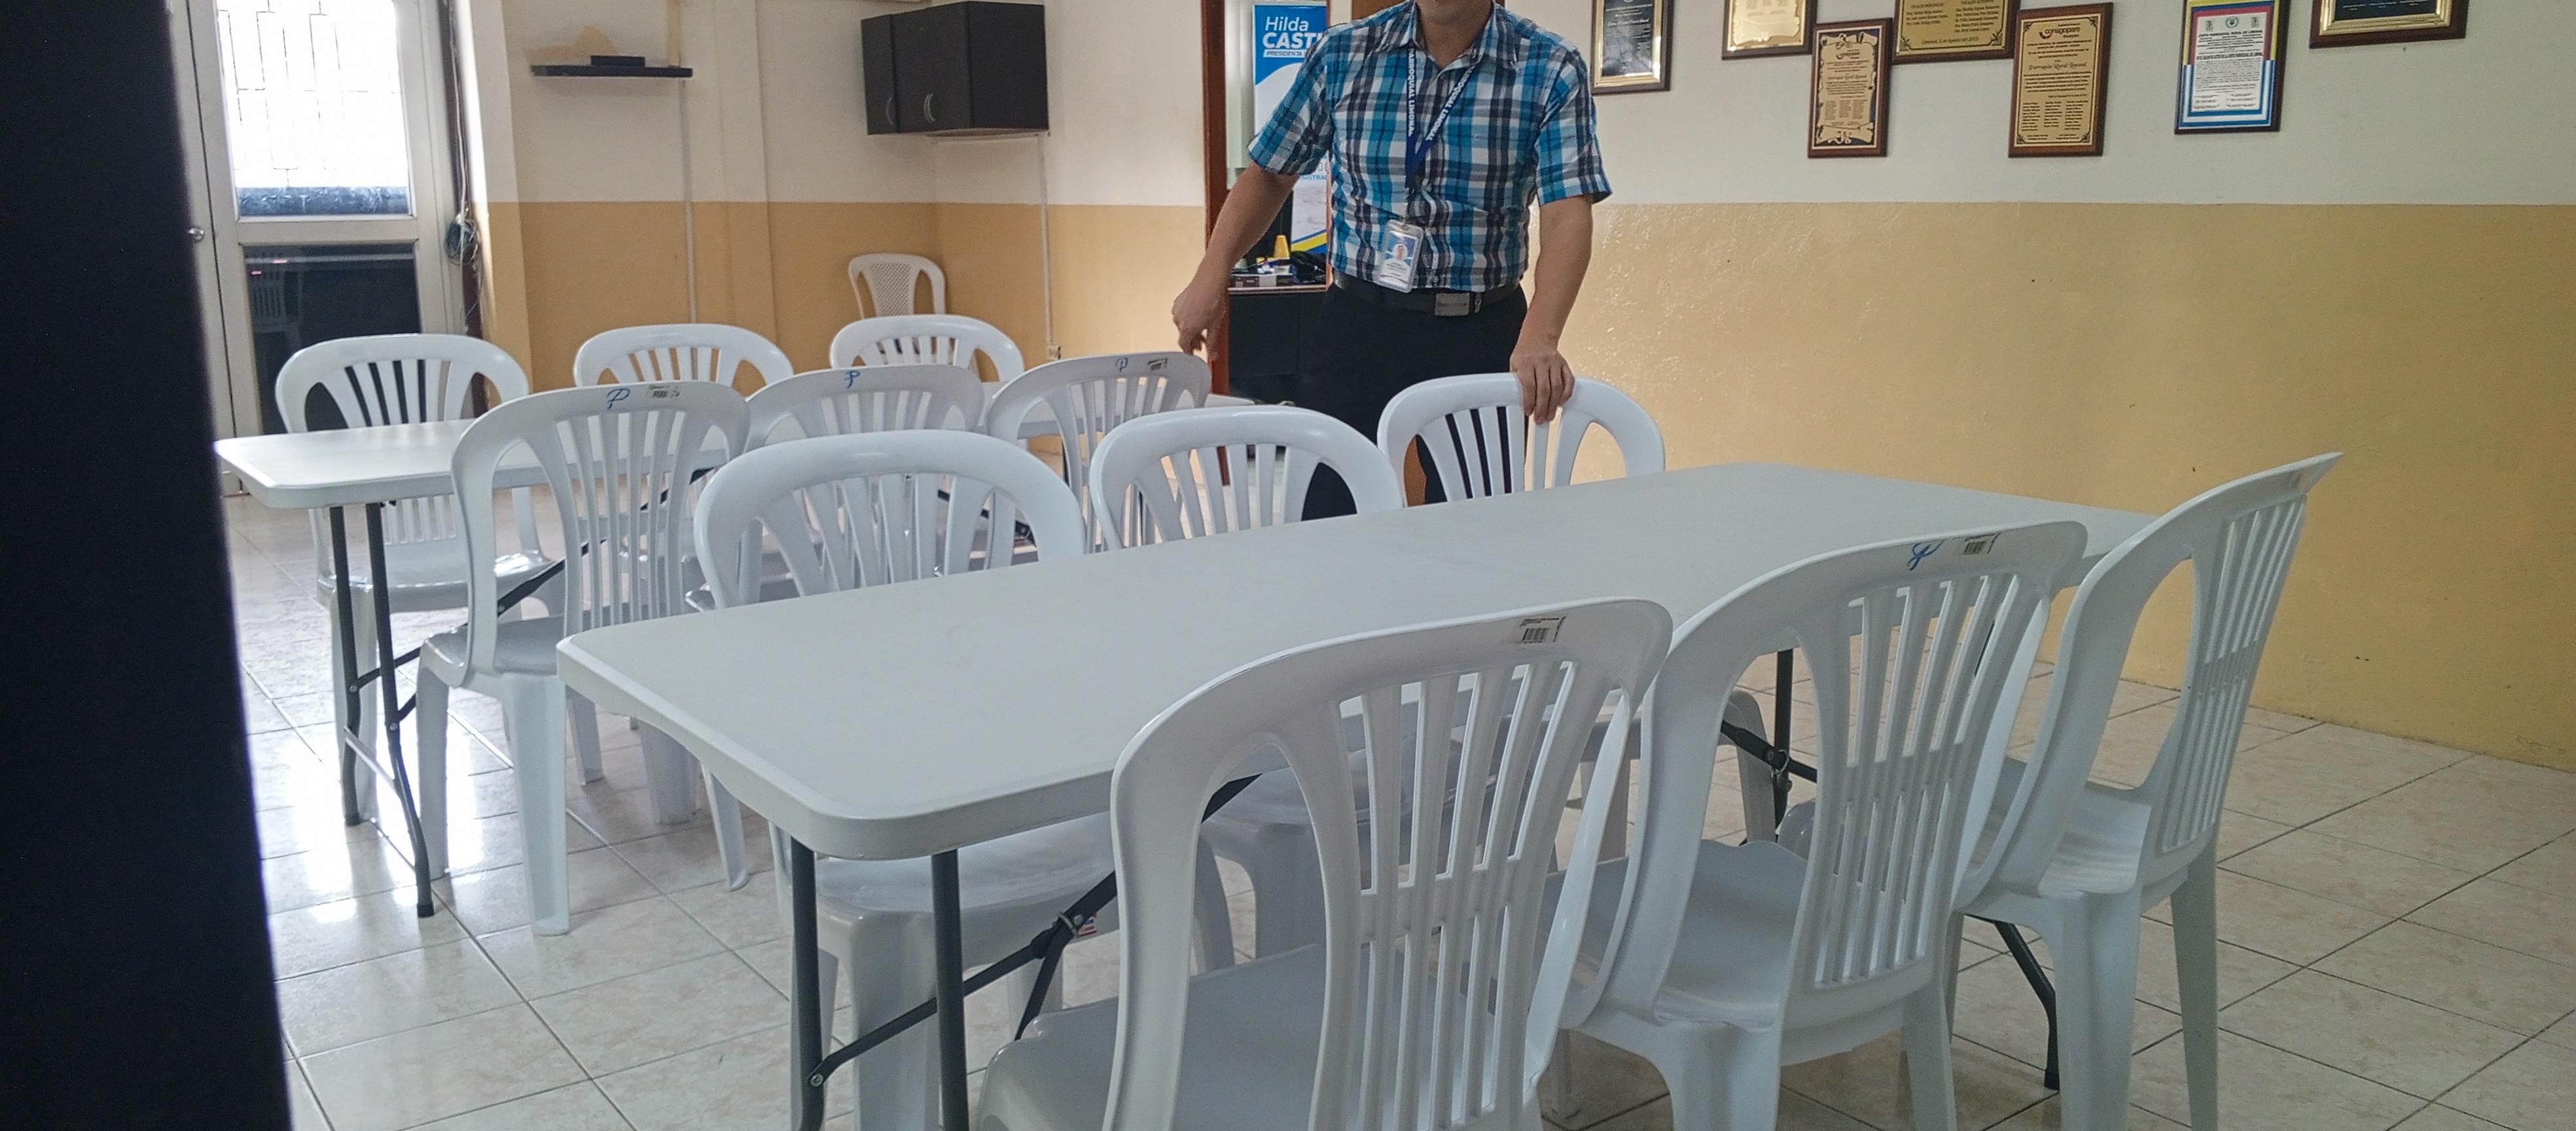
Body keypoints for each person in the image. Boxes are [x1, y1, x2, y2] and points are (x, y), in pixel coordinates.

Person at [1172, 0, 1609, 517]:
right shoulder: (1344, 52)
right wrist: (1212, 274)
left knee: (1478, 521)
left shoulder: (1549, 65)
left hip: (1483, 329)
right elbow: (1270, 173)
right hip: (1359, 324)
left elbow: (1567, 211)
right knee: (1330, 511)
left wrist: (1541, 336)